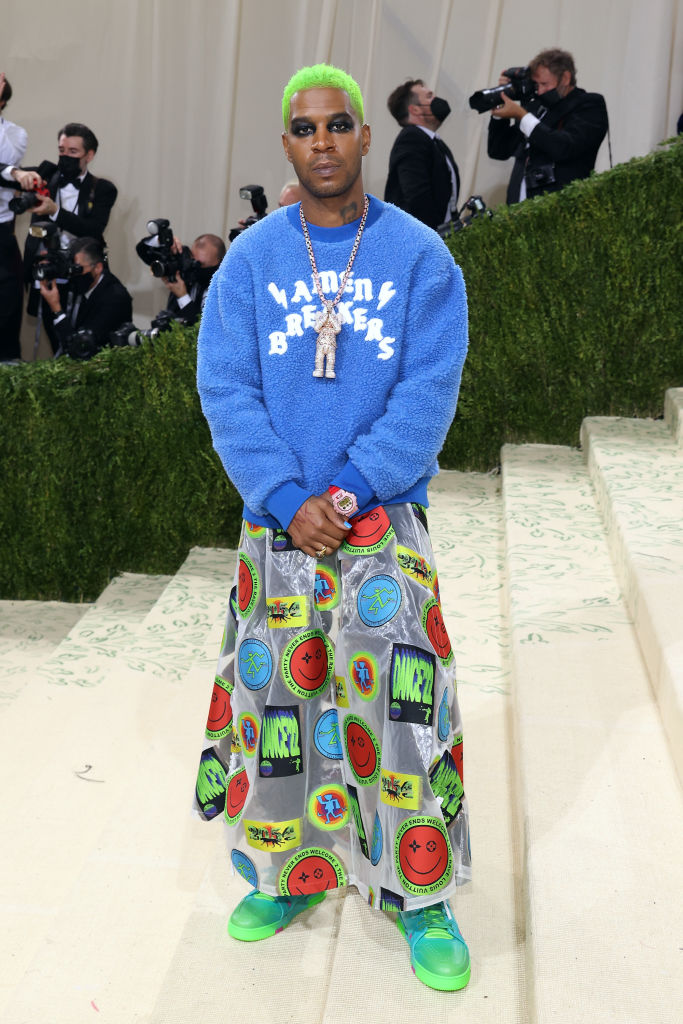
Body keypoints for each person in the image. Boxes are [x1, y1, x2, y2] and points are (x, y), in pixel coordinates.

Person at [194, 63, 471, 993]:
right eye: (306, 127)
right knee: (279, 704)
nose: (323, 142)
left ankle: (419, 895)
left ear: (365, 137)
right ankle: (286, 872)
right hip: (278, 525)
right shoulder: (250, 261)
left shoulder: (420, 257)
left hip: (379, 520)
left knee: (401, 708)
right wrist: (283, 495)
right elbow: (225, 387)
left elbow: (426, 394)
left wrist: (344, 494)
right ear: (286, 142)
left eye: (339, 125)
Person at [22, 122, 118, 352]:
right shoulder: (45, 177)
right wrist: (18, 174)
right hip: (47, 273)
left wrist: (55, 211)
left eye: (73, 152)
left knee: (80, 343)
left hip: (81, 276)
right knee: (54, 337)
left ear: (89, 155)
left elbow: (93, 229)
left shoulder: (103, 189)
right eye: (61, 151)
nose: (65, 157)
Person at [487, 48, 608, 204]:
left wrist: (522, 116)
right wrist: (499, 111)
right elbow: (498, 151)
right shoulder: (536, 107)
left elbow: (564, 147)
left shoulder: (589, 104)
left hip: (560, 207)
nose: (540, 91)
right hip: (517, 208)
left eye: (544, 84)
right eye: (536, 85)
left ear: (565, 78)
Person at [384, 78, 460, 231]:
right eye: (429, 97)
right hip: (419, 236)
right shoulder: (411, 138)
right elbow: (417, 196)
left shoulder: (433, 141)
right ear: (415, 110)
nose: (436, 100)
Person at [37, 236, 132, 358]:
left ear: (97, 268)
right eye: (71, 268)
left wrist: (57, 310)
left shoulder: (115, 298)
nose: (73, 275)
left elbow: (81, 348)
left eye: (78, 269)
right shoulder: (77, 285)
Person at [138, 232, 226, 328]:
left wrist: (182, 296)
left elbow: (205, 327)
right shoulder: (184, 262)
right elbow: (143, 250)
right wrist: (162, 240)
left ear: (219, 264)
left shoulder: (222, 289)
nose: (195, 267)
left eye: (201, 265)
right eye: (193, 261)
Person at [0, 72, 27, 361]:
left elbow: (5, 163)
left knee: (7, 310)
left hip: (2, 232)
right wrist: (13, 173)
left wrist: (13, 172)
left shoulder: (16, 134)